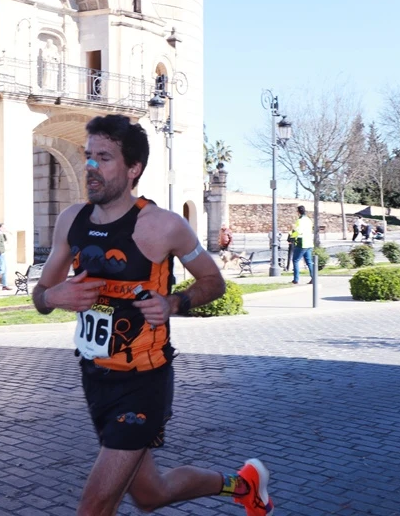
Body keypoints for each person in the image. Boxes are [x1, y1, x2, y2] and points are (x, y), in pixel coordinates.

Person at [31, 114, 274, 516]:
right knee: (150, 495)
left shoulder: (163, 226)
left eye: (104, 158)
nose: (91, 167)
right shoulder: (70, 221)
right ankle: (242, 484)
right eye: (88, 156)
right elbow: (41, 297)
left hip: (144, 382)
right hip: (95, 377)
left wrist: (173, 304)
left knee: (94, 506)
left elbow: (214, 282)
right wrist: (55, 295)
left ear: (133, 169)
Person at [290, 205, 315, 285]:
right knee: (309, 262)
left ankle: (296, 279)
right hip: (309, 242)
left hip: (302, 242)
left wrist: (291, 236)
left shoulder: (299, 221)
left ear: (298, 212)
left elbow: (298, 232)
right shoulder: (309, 220)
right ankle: (314, 278)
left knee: (295, 260)